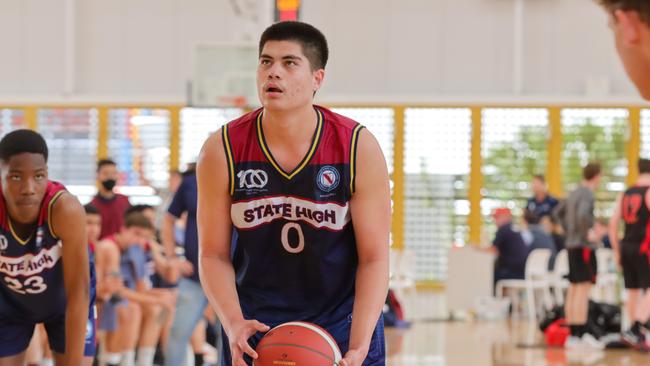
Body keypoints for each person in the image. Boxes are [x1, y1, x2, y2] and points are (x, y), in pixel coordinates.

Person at [197, 21, 391, 366]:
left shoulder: (356, 147)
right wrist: (232, 323)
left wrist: (359, 346)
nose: (273, 73)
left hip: (343, 323)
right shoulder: (222, 148)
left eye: (289, 63)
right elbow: (212, 254)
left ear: (318, 78)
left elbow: (374, 257)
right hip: (255, 325)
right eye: (266, 61)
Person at [0, 129, 95, 365]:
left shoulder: (65, 209)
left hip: (66, 303)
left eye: (39, 176)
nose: (29, 187)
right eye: (16, 176)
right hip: (9, 304)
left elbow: (79, 293)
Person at [95, 212, 174, 366]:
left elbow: (141, 288)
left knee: (162, 306)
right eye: (136, 234)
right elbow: (115, 291)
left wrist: (162, 297)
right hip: (99, 298)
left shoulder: (135, 251)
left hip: (116, 296)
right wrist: (155, 299)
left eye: (144, 237)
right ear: (124, 229)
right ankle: (121, 359)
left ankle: (146, 359)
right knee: (132, 308)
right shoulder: (110, 247)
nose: (139, 240)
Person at [163, 165, 220, 366]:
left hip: (228, 278)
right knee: (178, 332)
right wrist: (172, 257)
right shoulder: (190, 184)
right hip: (194, 276)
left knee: (230, 336)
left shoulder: (241, 178)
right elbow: (168, 219)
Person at [553, 163, 603, 349]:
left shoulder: (574, 192)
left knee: (574, 288)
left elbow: (557, 213)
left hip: (571, 245)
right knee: (582, 288)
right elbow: (583, 214)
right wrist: (587, 232)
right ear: (596, 176)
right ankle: (580, 333)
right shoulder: (587, 194)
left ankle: (573, 334)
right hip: (582, 246)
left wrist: (568, 231)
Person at [609, 158, 650, 350]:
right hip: (644, 247)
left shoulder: (626, 193)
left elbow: (613, 224)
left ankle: (634, 334)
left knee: (632, 290)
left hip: (626, 246)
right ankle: (636, 327)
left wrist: (617, 250)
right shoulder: (649, 192)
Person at [91, 159, 131, 240]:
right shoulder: (92, 206)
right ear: (98, 175)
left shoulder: (125, 201)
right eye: (105, 173)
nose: (110, 177)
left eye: (113, 173)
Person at [490, 208, 529, 284]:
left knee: (490, 274)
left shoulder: (504, 229)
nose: (495, 221)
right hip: (523, 272)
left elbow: (493, 249)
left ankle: (497, 296)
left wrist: (476, 248)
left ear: (506, 217)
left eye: (497, 217)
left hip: (512, 272)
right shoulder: (514, 229)